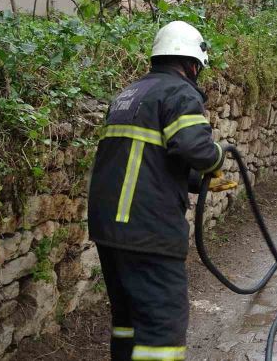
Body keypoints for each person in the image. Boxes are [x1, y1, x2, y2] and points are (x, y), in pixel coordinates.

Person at [88, 21, 232, 361]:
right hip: (148, 230)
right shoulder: (179, 94)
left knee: (128, 321)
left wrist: (199, 181)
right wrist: (218, 160)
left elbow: (148, 160)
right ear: (192, 64)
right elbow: (195, 149)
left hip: (111, 229)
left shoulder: (128, 95)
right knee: (162, 328)